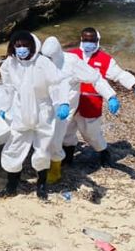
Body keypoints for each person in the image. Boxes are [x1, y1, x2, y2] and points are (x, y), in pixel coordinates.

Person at [0, 30, 68, 200]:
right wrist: (3, 107)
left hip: (43, 113)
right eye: (18, 45)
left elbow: (57, 83)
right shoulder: (9, 64)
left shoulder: (43, 63)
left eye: (25, 45)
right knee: (13, 149)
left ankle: (41, 187)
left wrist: (62, 102)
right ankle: (11, 187)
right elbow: (8, 88)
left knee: (42, 152)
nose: (21, 49)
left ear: (32, 46)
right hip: (20, 113)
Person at [64, 27, 135, 167]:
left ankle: (103, 152)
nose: (88, 43)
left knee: (91, 134)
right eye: (85, 40)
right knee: (66, 129)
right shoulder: (71, 56)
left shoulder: (104, 59)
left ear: (97, 41)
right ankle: (67, 157)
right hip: (71, 100)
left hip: (91, 102)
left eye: (92, 40)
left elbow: (120, 74)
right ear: (81, 40)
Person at [40, 36, 116, 183]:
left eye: (50, 58)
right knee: (56, 135)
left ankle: (55, 169)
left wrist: (110, 95)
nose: (47, 60)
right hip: (47, 104)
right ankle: (64, 159)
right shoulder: (43, 63)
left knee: (56, 136)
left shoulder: (72, 62)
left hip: (66, 108)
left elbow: (95, 78)